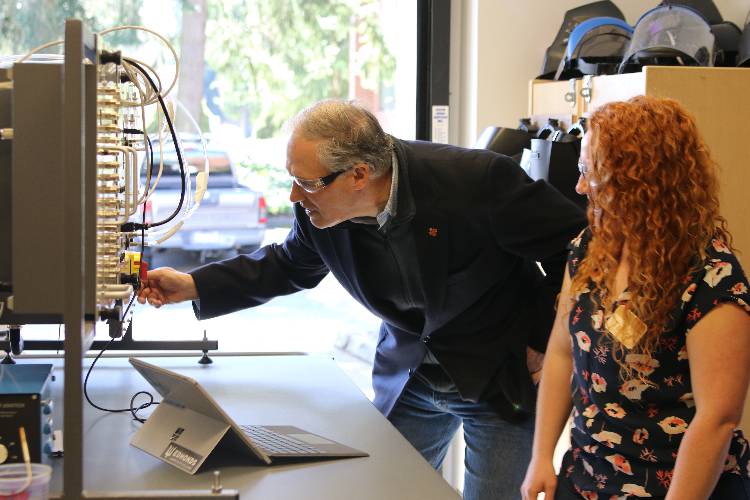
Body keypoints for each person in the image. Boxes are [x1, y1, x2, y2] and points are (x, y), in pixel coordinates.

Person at [138, 99, 586, 499]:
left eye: (307, 183)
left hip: (499, 375)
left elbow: (579, 248)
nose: (295, 196)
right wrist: (194, 285)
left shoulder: (476, 181)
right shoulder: (319, 206)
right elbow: (288, 264)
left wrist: (552, 342)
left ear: (358, 174)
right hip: (411, 373)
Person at [521, 95, 750, 500]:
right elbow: (560, 351)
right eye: (581, 169)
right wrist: (541, 456)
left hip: (677, 485)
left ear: (640, 179)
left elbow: (718, 419)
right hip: (588, 477)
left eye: (592, 173)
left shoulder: (712, 278)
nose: (578, 186)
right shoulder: (591, 245)